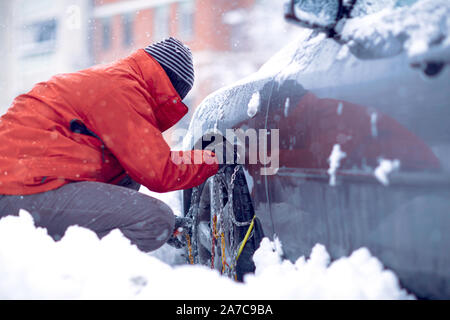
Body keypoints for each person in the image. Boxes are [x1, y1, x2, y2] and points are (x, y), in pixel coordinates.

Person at [0, 37, 219, 252]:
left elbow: (147, 163)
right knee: (156, 221)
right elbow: (160, 171)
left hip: (22, 185)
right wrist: (215, 157)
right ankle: (79, 280)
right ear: (171, 90)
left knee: (128, 174)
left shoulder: (115, 81)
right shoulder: (123, 92)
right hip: (19, 191)